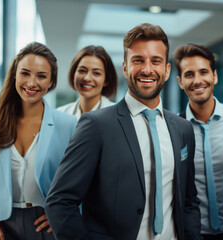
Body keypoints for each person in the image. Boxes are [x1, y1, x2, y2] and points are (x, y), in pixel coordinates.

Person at [45, 23, 201, 240]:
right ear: (126, 68)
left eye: (155, 61)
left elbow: (189, 200)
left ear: (166, 71)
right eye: (138, 60)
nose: (147, 69)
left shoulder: (183, 129)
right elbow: (60, 201)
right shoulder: (96, 125)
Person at [0, 42, 77, 240]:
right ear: (14, 76)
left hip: (46, 224)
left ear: (51, 82)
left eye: (41, 76)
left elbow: (80, 181)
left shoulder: (68, 124)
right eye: (25, 73)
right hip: (1, 224)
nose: (31, 82)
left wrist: (63, 214)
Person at [173, 44, 223, 240]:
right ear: (180, 82)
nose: (198, 80)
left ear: (214, 76)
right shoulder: (173, 128)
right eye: (189, 74)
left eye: (204, 72)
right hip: (193, 234)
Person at [57, 45, 117, 119]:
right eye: (82, 71)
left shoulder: (117, 116)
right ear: (73, 75)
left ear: (106, 80)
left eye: (96, 73)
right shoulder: (60, 114)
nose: (87, 78)